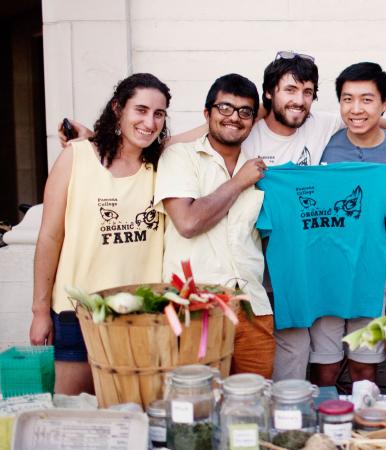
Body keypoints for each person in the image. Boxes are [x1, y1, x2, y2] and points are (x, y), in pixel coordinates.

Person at [30, 73, 170, 394]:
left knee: (130, 419)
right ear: (117, 108)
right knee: (73, 417)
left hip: (139, 316)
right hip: (77, 313)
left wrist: (243, 110)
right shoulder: (76, 157)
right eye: (141, 110)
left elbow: (217, 125)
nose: (150, 122)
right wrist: (40, 312)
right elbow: (49, 238)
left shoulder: (163, 164)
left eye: (159, 113)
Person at [154, 73, 275, 378]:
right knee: (197, 402)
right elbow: (189, 222)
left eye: (245, 111)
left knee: (254, 400)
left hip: (253, 306)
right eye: (225, 108)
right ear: (207, 113)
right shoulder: (180, 156)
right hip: (196, 308)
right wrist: (238, 182)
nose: (235, 118)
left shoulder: (260, 170)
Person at [304, 62, 386, 387]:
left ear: (385, 103)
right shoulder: (325, 143)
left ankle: (362, 432)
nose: (356, 109)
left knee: (365, 366)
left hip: (371, 272)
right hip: (323, 273)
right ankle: (326, 431)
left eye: (367, 100)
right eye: (347, 99)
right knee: (324, 364)